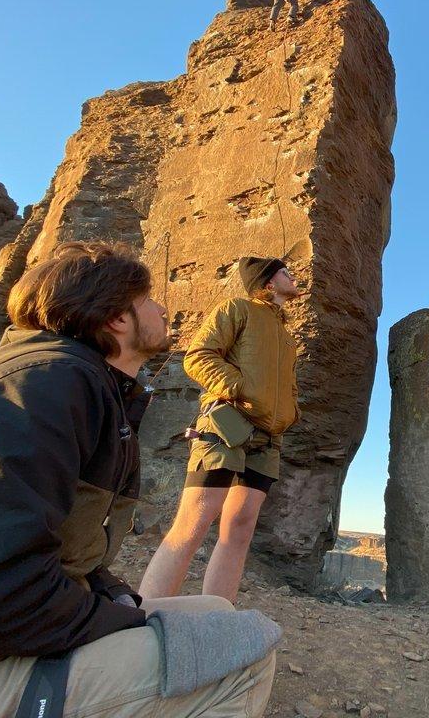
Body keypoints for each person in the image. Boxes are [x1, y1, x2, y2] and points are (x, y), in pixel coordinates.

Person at [0, 241, 279, 717]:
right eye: (148, 300)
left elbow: (58, 549)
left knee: (219, 614)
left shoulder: (87, 385)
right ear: (116, 320)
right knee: (245, 654)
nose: (164, 308)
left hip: (28, 622)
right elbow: (5, 591)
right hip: (5, 649)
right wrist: (121, 621)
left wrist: (115, 595)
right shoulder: (46, 386)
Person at [139, 255, 301, 603]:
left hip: (269, 438)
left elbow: (289, 388)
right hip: (226, 424)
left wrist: (290, 413)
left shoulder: (287, 337)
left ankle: (216, 619)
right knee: (194, 521)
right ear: (268, 282)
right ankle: (144, 617)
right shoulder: (237, 309)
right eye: (286, 272)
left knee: (239, 530)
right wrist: (241, 389)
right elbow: (197, 356)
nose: (294, 275)